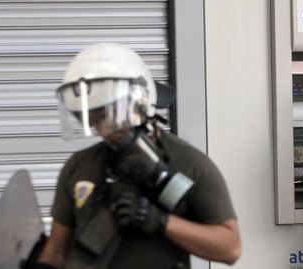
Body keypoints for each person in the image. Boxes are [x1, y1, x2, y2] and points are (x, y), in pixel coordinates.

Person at [35, 43, 241, 269]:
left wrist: (161, 222)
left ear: (140, 103)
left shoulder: (188, 162)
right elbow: (56, 250)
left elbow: (229, 248)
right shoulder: (79, 166)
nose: (103, 129)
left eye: (108, 114)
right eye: (93, 118)